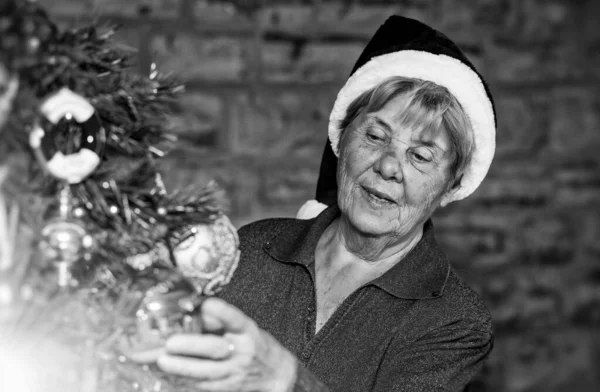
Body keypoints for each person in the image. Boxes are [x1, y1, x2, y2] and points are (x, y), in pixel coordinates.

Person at [157, 15, 497, 392]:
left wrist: (282, 377)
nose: (387, 166)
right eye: (375, 135)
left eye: (420, 156)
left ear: (450, 186)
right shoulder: (253, 248)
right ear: (342, 140)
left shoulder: (453, 321)